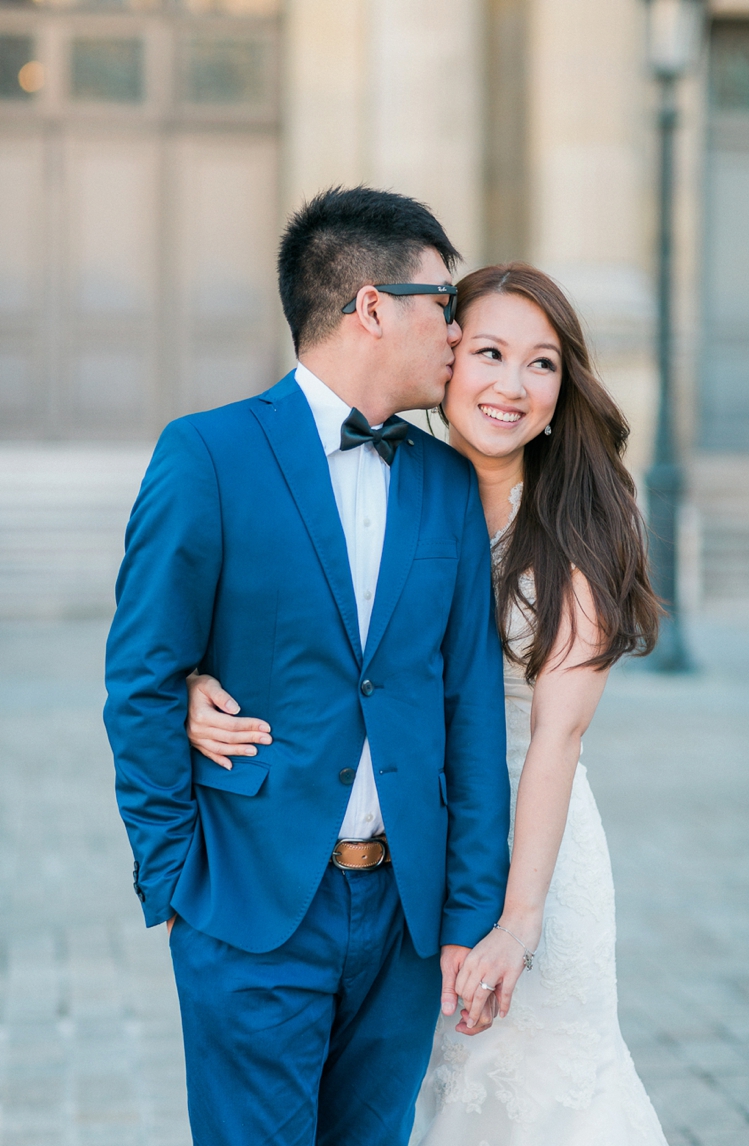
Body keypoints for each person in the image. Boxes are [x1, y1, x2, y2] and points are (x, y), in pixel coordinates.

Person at [186, 262, 670, 1144]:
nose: (511, 386)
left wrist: (517, 926)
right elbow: (303, 635)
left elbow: (555, 745)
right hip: (416, 864)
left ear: (564, 392)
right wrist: (193, 684)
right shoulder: (396, 482)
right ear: (446, 358)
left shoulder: (581, 527)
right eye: (487, 351)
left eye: (542, 365)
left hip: (536, 857)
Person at [103, 187, 511, 1146]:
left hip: (406, 926)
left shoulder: (449, 482)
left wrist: (465, 913)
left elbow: (470, 712)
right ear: (372, 306)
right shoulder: (206, 454)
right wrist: (174, 883)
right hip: (250, 910)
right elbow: (144, 680)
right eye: (443, 304)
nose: (457, 331)